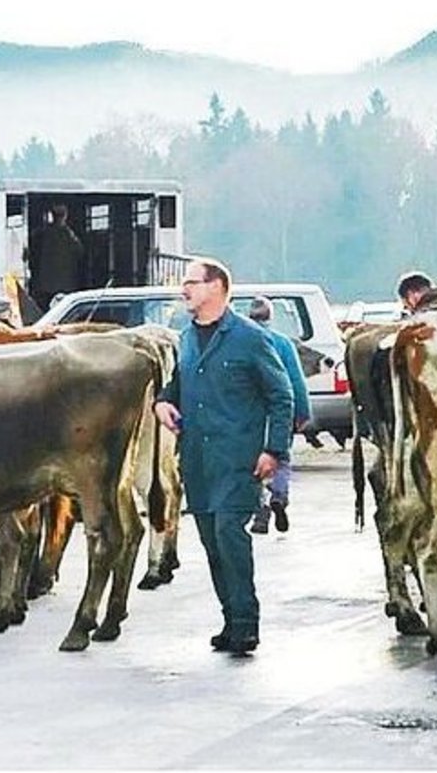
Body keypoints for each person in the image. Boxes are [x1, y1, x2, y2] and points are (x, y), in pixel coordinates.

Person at [153, 257, 293, 655]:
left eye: (192, 283)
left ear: (217, 287)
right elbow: (176, 384)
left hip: (238, 457)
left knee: (231, 536)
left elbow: (280, 395)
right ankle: (230, 620)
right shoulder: (186, 338)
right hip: (197, 459)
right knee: (212, 542)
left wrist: (274, 450)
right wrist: (162, 404)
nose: (185, 290)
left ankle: (246, 624)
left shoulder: (249, 338)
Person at [246, 296, 312, 535]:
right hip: (280, 412)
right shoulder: (283, 343)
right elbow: (295, 380)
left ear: (249, 316)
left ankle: (260, 508)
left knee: (254, 460)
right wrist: (303, 412)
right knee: (280, 457)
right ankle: (279, 497)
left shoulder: (243, 341)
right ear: (270, 317)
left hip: (251, 413)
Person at [28, 204, 84, 311]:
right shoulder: (69, 235)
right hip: (65, 283)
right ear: (65, 216)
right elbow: (80, 252)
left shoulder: (41, 233)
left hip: (46, 282)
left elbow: (32, 251)